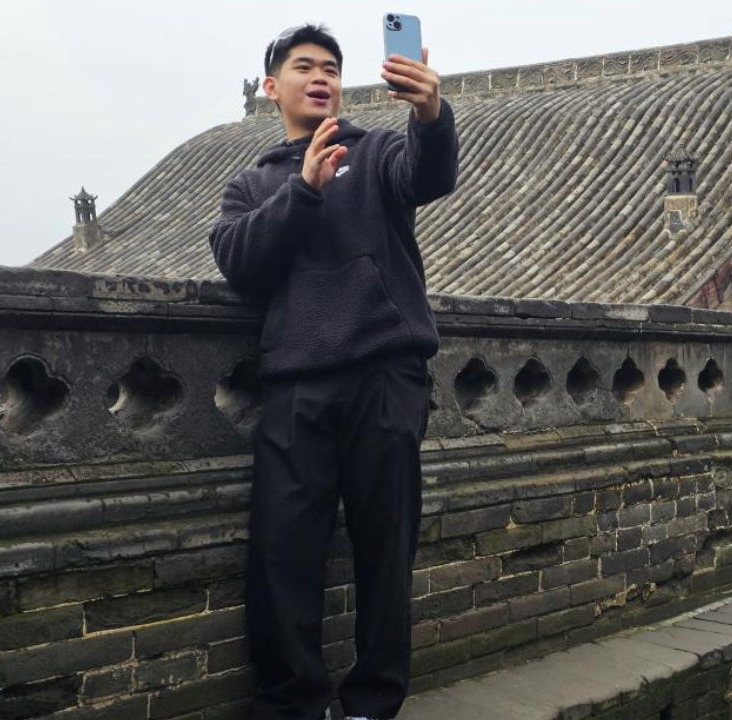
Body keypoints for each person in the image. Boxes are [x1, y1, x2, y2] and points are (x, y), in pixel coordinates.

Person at [208, 22, 460, 720]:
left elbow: (431, 173)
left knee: (385, 549)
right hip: (295, 383)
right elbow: (237, 259)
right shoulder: (251, 184)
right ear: (272, 86)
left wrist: (431, 113)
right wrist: (305, 190)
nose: (320, 77)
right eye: (303, 67)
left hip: (384, 374)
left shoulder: (377, 152)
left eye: (330, 68)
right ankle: (294, 701)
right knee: (284, 552)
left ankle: (373, 702)